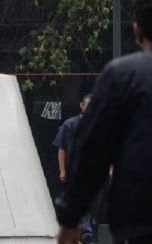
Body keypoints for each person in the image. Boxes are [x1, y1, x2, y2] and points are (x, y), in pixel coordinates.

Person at [56, 0, 152, 244]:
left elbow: (92, 149)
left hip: (143, 219)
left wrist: (71, 217)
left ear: (137, 32)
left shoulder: (123, 76)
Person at [53, 94, 95, 244]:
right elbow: (62, 148)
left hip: (94, 174)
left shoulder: (99, 125)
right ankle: (85, 235)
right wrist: (62, 169)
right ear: (81, 106)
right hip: (75, 174)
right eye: (87, 105)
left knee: (92, 207)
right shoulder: (69, 125)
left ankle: (86, 234)